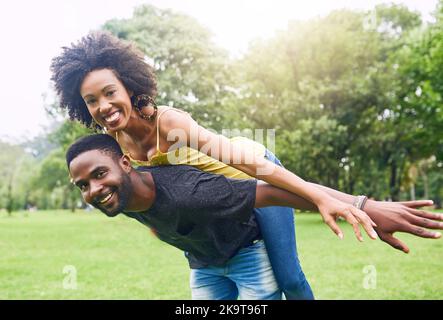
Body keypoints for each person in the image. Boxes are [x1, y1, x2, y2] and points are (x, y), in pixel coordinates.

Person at [51, 31, 442, 299]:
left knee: (289, 276)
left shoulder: (169, 125)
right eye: (91, 101)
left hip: (251, 167)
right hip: (227, 194)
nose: (103, 106)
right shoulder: (115, 147)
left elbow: (257, 170)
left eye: (109, 93)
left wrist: (341, 203)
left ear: (128, 89)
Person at [66, 134, 443, 300]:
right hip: (207, 261)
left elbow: (279, 190)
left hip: (256, 175)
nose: (94, 191)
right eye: (82, 185)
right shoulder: (123, 188)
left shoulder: (191, 189)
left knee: (291, 279)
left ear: (126, 165)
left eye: (99, 176)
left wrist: (362, 206)